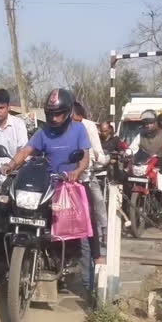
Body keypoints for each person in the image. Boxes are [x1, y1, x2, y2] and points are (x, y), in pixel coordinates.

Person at [0, 89, 100, 304]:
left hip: (73, 186)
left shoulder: (79, 129)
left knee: (87, 231)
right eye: (51, 114)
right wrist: (11, 164)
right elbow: (26, 151)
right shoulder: (44, 132)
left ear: (68, 112)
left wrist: (76, 172)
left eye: (59, 114)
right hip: (48, 187)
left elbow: (84, 157)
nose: (54, 118)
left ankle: (92, 284)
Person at [128, 109, 162, 231]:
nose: (148, 125)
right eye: (146, 123)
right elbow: (132, 148)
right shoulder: (140, 134)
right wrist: (127, 153)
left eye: (150, 123)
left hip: (158, 165)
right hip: (143, 164)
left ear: (155, 123)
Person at [71, 101, 108, 245]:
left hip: (86, 173)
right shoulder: (60, 127)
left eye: (78, 120)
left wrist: (99, 158)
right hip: (66, 174)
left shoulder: (88, 126)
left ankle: (103, 230)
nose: (76, 123)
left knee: (97, 200)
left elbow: (96, 149)